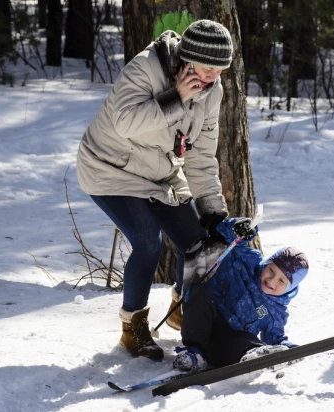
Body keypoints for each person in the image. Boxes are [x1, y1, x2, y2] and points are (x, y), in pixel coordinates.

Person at [76, 20, 234, 361]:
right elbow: (126, 123)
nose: (212, 78)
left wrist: (213, 211)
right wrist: (176, 97)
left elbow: (202, 155)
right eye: (208, 68)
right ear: (188, 59)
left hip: (160, 174)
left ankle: (183, 310)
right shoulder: (146, 68)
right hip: (109, 168)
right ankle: (133, 329)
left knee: (198, 243)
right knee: (148, 242)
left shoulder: (212, 91)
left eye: (219, 71)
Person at [172, 218, 309, 371]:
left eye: (282, 281)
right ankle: (194, 355)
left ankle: (253, 355)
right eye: (271, 270)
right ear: (267, 263)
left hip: (227, 348)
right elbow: (226, 234)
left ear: (289, 289)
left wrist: (289, 350)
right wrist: (240, 229)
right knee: (199, 291)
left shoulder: (276, 311)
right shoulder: (247, 262)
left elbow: (275, 339)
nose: (272, 280)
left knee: (245, 339)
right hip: (202, 328)